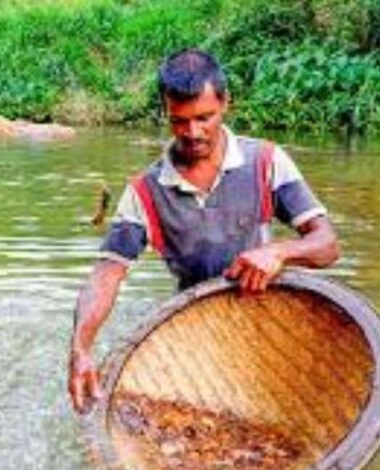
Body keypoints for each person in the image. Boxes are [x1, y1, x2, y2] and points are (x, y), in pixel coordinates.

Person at [68, 49, 340, 414]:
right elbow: (106, 275)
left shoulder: (266, 162)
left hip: (265, 322)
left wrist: (278, 252)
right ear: (166, 111)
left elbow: (327, 245)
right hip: (194, 332)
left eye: (204, 118)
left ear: (226, 102)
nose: (193, 133)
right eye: (179, 121)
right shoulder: (145, 192)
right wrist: (81, 348)